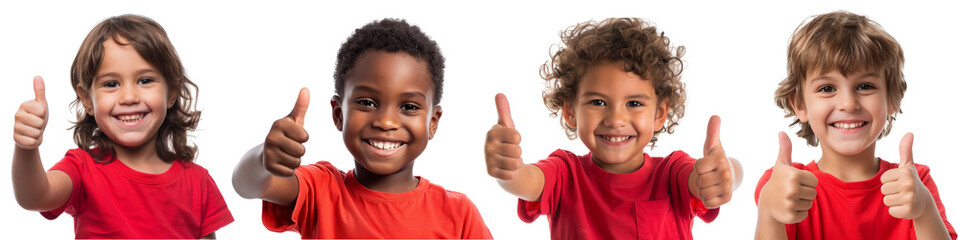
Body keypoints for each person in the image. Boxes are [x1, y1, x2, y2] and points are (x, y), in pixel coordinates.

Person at [232, 18, 492, 239]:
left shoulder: (459, 214)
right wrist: (264, 158)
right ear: (338, 113)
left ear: (433, 122)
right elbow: (247, 184)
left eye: (409, 106)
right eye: (367, 102)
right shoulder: (320, 190)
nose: (386, 122)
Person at [484, 17, 742, 239]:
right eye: (598, 102)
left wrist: (725, 172)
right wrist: (508, 170)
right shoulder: (564, 174)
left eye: (634, 103)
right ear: (570, 111)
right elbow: (524, 181)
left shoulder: (673, 173)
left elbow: (706, 179)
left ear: (660, 114)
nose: (615, 119)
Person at [11, 14, 233, 239]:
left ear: (172, 92)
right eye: (111, 84)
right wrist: (26, 148)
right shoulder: (81, 168)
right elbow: (35, 197)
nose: (129, 97)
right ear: (87, 99)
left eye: (145, 80)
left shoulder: (199, 182)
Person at [755, 11, 956, 240]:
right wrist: (769, 213)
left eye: (865, 86)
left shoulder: (915, 184)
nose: (849, 104)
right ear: (799, 104)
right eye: (827, 88)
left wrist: (924, 210)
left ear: (892, 98)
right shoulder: (784, 185)